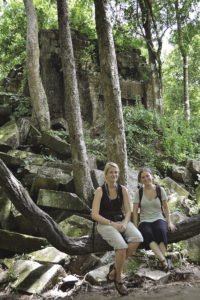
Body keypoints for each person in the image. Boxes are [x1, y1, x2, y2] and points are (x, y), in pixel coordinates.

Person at [91, 162, 143, 295]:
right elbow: (94, 214)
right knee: (121, 247)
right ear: (106, 174)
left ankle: (114, 270)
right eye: (111, 172)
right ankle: (119, 279)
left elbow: (128, 211)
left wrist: (125, 223)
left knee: (137, 238)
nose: (114, 175)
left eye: (116, 172)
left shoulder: (123, 190)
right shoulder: (100, 191)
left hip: (121, 221)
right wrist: (112, 224)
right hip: (105, 224)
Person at [133, 167, 176, 271]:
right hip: (144, 220)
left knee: (161, 230)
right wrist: (135, 226)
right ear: (140, 180)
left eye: (147, 176)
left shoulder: (159, 190)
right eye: (143, 177)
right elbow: (135, 211)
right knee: (147, 233)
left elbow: (165, 207)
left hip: (158, 218)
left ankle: (162, 262)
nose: (146, 178)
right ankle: (164, 261)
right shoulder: (139, 193)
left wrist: (169, 222)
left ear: (151, 176)